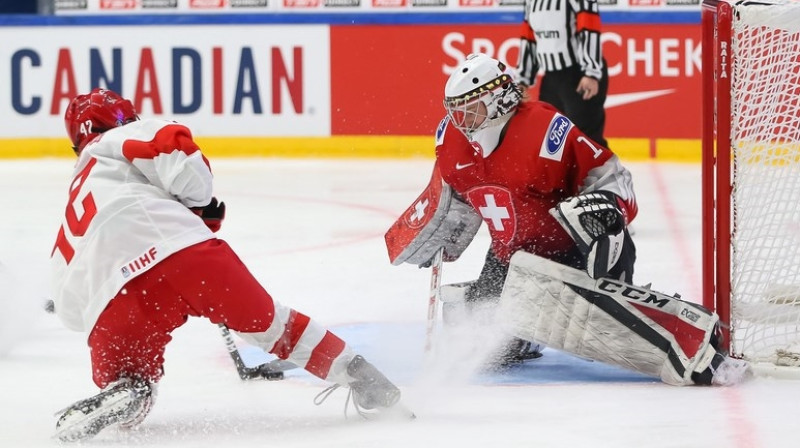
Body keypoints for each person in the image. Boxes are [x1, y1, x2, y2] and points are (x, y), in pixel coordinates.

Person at [50, 88, 406, 442]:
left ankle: (129, 391)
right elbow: (179, 152)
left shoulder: (72, 206)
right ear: (126, 118)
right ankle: (362, 377)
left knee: (132, 382)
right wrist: (197, 207)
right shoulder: (127, 134)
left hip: (111, 303)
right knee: (274, 326)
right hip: (181, 255)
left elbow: (69, 309)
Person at [384, 54, 748, 386]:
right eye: (456, 111)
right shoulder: (449, 137)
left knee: (595, 325)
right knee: (482, 343)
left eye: (471, 109)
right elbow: (457, 193)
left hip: (575, 251)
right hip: (511, 256)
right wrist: (440, 229)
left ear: (500, 100)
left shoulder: (543, 127)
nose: (461, 121)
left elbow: (612, 176)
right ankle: (524, 332)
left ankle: (689, 342)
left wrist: (606, 207)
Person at [515, 0, 609, 148]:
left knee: (587, 142)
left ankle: (607, 171)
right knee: (549, 136)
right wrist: (522, 79)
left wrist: (591, 73)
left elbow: (589, 27)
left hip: (579, 75)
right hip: (552, 78)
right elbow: (529, 37)